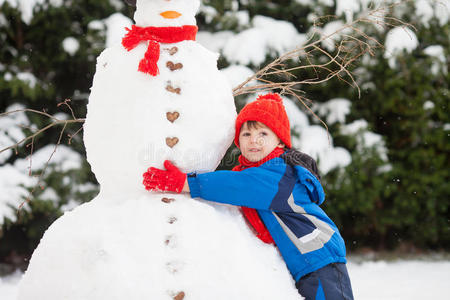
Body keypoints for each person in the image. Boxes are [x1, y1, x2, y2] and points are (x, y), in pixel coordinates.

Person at [143, 93, 354, 300]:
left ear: (280, 142)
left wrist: (186, 182)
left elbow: (238, 186)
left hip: (320, 258)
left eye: (263, 134)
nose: (254, 140)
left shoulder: (280, 173)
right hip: (306, 262)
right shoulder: (257, 172)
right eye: (246, 134)